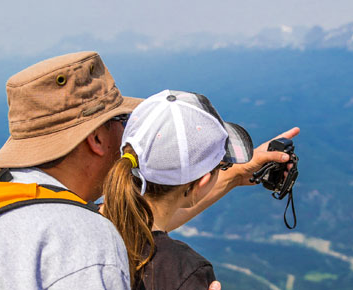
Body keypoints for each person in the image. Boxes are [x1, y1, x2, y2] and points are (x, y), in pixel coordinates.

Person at [0, 51, 299, 290]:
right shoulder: (80, 244)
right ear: (97, 140)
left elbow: (143, 220)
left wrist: (235, 173)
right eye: (121, 118)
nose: (129, 132)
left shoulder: (4, 196)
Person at [100, 89, 256, 290]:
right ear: (202, 182)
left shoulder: (88, 223)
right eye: (222, 166)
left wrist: (234, 176)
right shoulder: (185, 272)